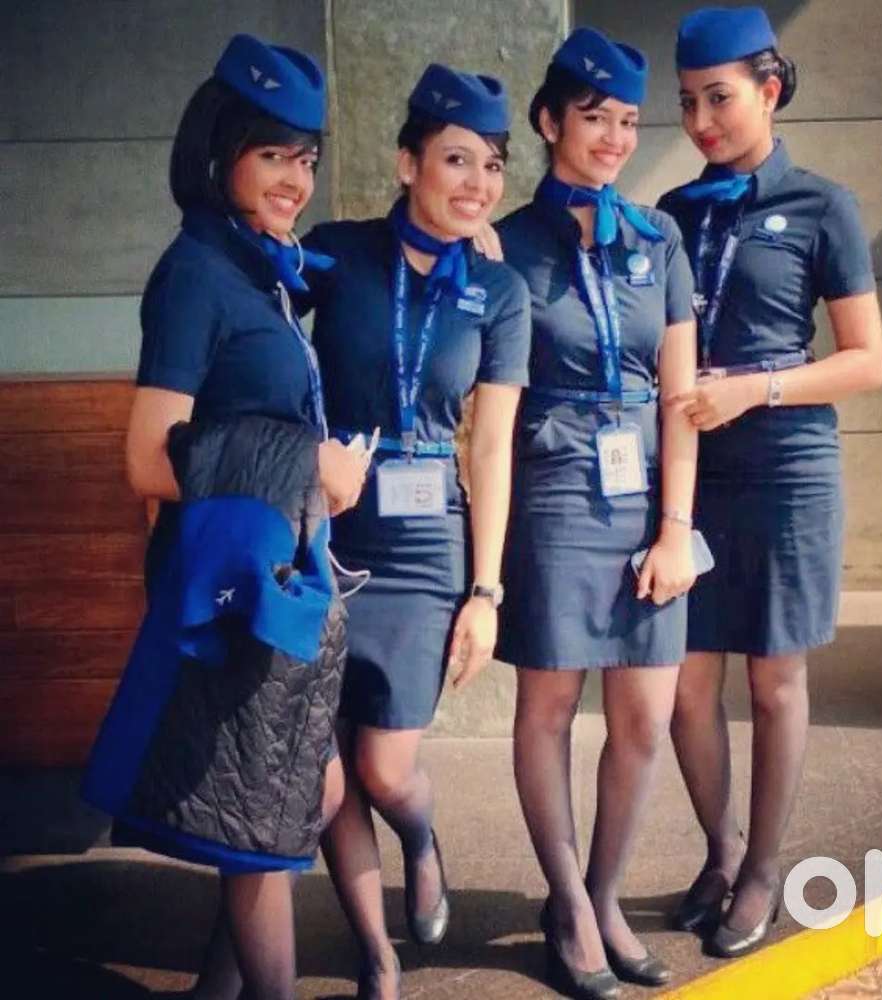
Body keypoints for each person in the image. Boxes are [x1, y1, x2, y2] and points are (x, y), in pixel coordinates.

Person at [81, 34, 367, 1000]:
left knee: (291, 795)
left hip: (272, 569)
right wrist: (307, 464)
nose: (296, 179)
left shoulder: (262, 267)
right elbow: (145, 456)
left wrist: (475, 238)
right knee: (268, 822)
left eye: (306, 158)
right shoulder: (197, 273)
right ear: (221, 151)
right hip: (229, 574)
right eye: (272, 154)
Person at [658, 6, 882, 958]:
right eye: (687, 103)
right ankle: (721, 852)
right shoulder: (674, 214)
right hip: (694, 469)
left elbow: (867, 360)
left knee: (775, 677)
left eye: (719, 98)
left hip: (788, 467)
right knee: (683, 679)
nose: (701, 121)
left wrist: (756, 388)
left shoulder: (824, 206)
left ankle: (762, 874)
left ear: (770, 88)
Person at [300, 64, 531, 999]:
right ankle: (376, 952)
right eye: (456, 159)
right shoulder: (334, 253)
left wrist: (487, 591)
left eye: (492, 166)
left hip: (430, 541)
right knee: (326, 764)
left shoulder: (499, 291)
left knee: (385, 766)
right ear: (408, 163)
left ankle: (422, 837)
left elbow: (493, 447)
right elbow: (259, 325)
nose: (477, 183)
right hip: (327, 528)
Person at [496, 27, 698, 1000]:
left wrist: (675, 526)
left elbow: (681, 396)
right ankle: (569, 904)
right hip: (551, 491)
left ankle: (605, 892)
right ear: (549, 121)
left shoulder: (658, 238)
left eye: (627, 120)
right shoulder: (504, 245)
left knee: (645, 717)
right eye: (594, 117)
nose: (615, 137)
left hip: (645, 489)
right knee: (548, 709)